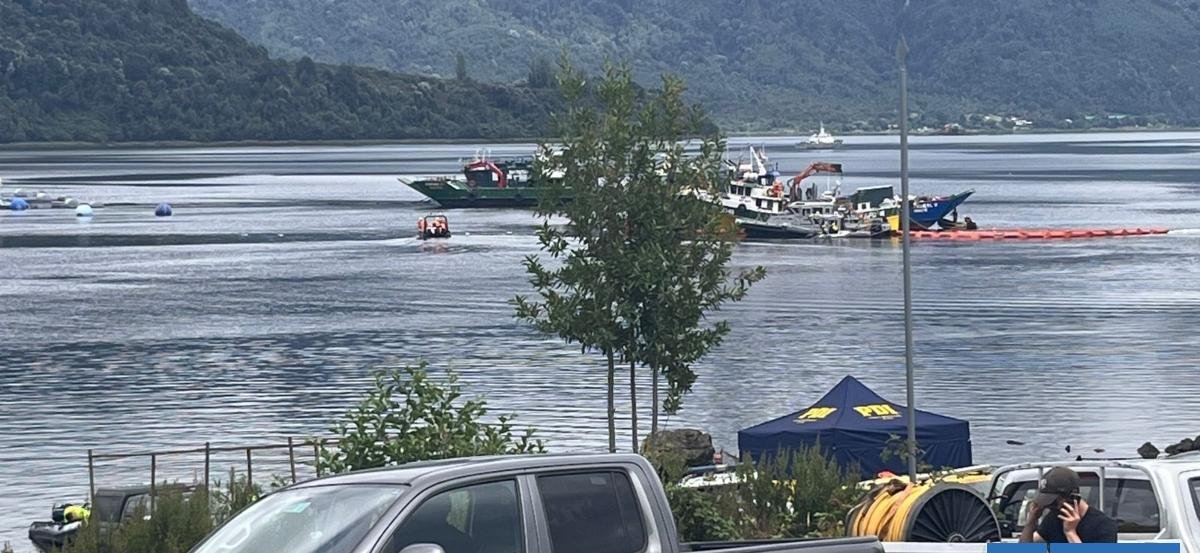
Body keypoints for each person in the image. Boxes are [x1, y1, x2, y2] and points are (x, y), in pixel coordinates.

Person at [1019, 466, 1118, 543]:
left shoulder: (1104, 526)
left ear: (1072, 497)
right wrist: (1031, 522)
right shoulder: (1054, 519)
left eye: (1053, 502)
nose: (1049, 507)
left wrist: (1071, 533)